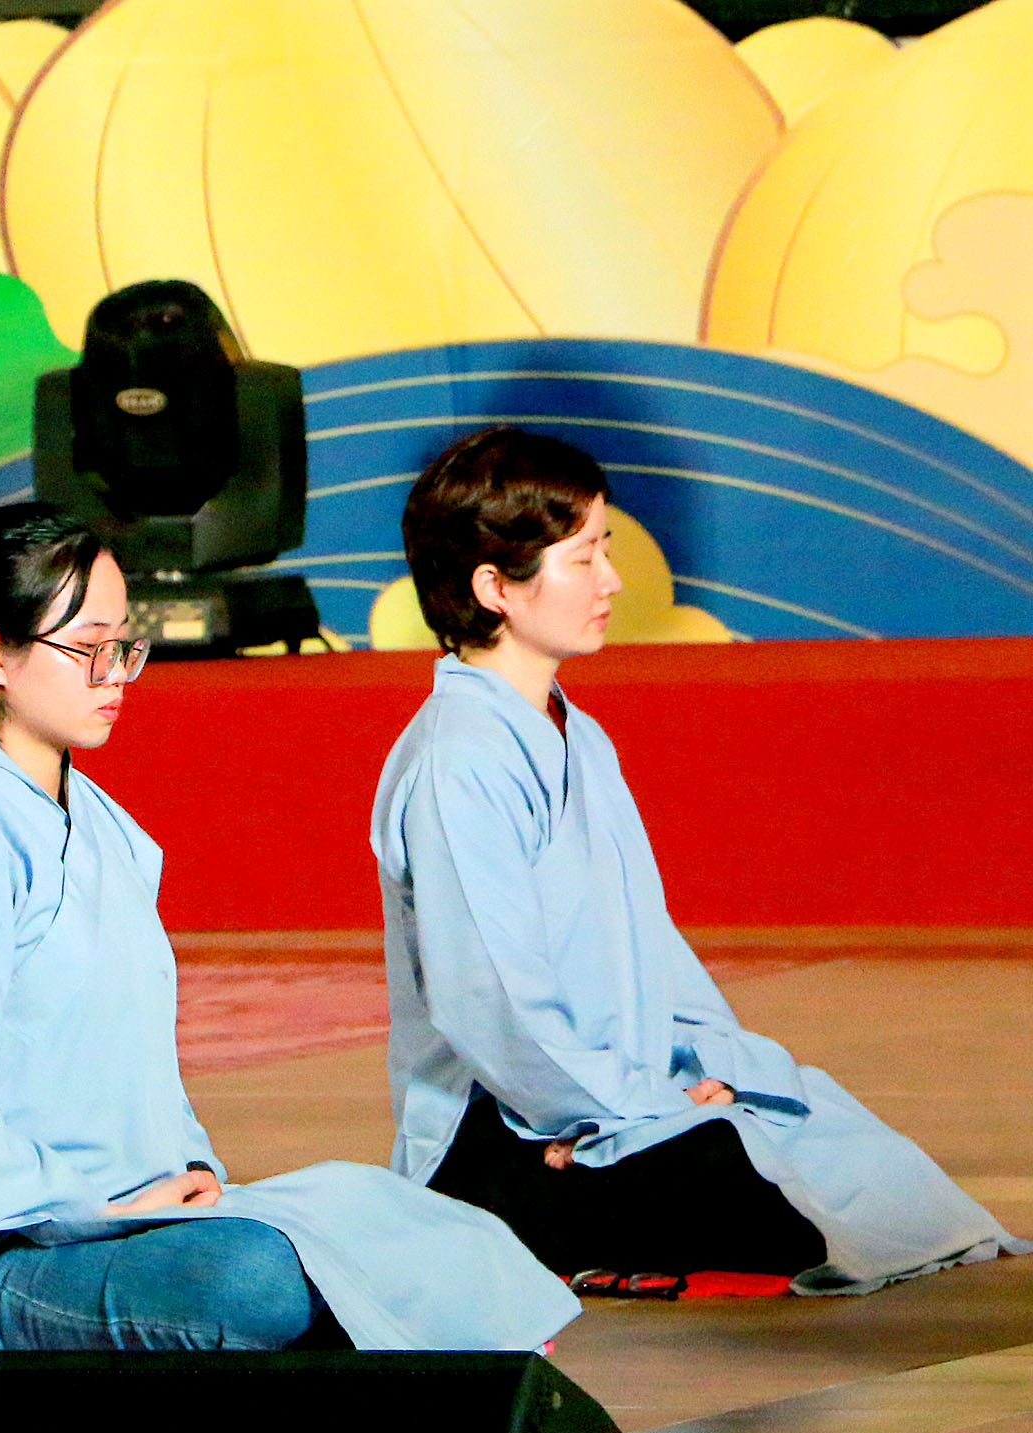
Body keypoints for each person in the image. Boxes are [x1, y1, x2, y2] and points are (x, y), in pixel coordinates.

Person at [0, 502, 576, 1386]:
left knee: (405, 1215)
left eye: (122, 645)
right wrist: (98, 1209)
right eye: (86, 648)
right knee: (254, 1280)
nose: (114, 674)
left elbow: (143, 1073)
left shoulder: (107, 827)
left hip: (138, 1223)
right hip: (3, 1260)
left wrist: (193, 1169)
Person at [372, 426, 1023, 1291]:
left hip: (610, 1095)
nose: (611, 581)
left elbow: (648, 951)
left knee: (811, 1119)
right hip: (515, 1127)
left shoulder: (577, 734)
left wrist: (712, 1070)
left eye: (605, 550)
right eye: (583, 559)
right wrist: (623, 1109)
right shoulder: (460, 758)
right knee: (747, 1182)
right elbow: (488, 1002)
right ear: (495, 587)